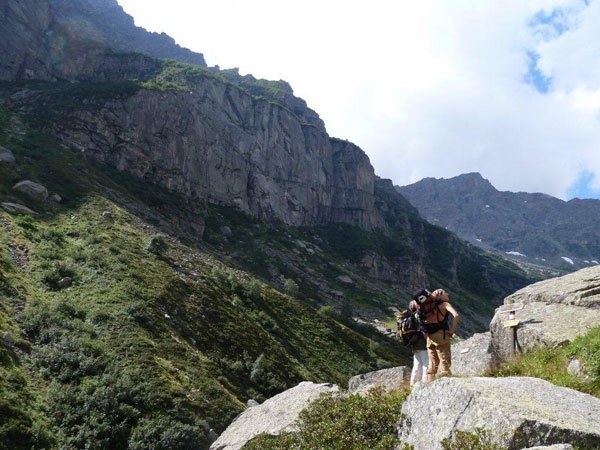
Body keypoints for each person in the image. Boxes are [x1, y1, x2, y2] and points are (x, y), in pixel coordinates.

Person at [413, 288, 459, 382]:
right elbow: (456, 315)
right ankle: (446, 383)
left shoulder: (424, 308)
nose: (447, 294)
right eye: (445, 293)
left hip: (429, 337)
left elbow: (423, 327)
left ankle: (430, 384)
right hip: (441, 335)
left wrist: (427, 339)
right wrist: (452, 331)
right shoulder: (443, 304)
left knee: (432, 365)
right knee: (444, 360)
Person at [407, 300, 428, 387]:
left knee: (416, 364)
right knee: (426, 364)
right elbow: (424, 329)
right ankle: (426, 383)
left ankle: (413, 383)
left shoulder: (411, 317)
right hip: (423, 343)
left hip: (415, 344)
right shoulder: (419, 315)